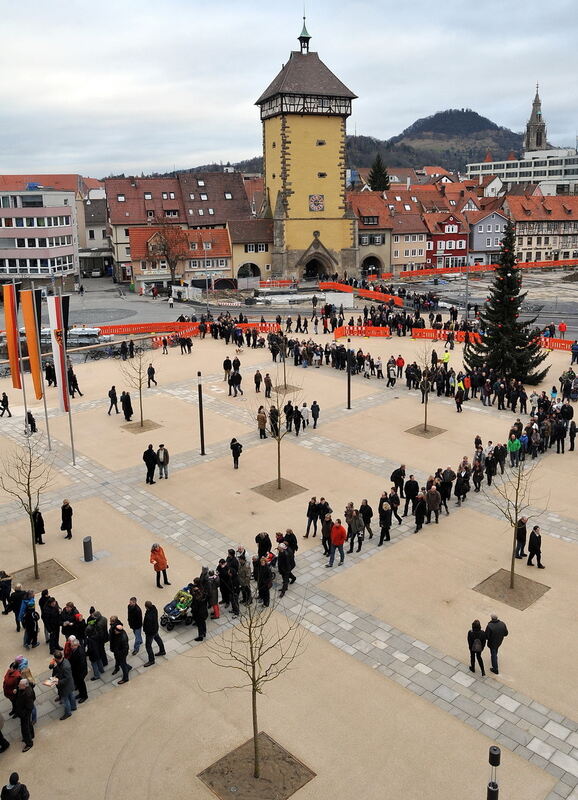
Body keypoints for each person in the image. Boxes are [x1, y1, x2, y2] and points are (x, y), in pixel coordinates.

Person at [51, 650, 77, 718]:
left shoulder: (65, 666)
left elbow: (67, 678)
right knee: (71, 695)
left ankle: (68, 713)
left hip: (66, 686)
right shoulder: (64, 660)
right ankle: (73, 707)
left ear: (57, 658)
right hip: (68, 684)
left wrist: (57, 682)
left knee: (65, 700)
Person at [13, 679, 35, 752]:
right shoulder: (24, 687)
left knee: (24, 729)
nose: (18, 685)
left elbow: (30, 706)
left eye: (20, 685)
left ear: (25, 686)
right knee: (28, 723)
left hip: (24, 714)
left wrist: (23, 714)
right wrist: (16, 690)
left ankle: (29, 743)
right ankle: (31, 735)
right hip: (23, 712)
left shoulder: (27, 694)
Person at [142, 601, 166, 665]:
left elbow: (148, 626)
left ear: (146, 607)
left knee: (148, 646)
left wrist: (145, 630)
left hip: (150, 632)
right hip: (155, 629)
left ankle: (151, 660)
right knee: (158, 639)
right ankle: (162, 650)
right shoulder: (154, 609)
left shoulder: (149, 616)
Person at [68, 638, 88, 703]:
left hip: (80, 672)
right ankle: (81, 694)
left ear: (77, 645)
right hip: (76, 671)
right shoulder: (75, 650)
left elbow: (82, 664)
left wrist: (81, 674)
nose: (71, 647)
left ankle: (84, 696)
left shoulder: (80, 652)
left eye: (72, 646)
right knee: (78, 684)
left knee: (81, 684)